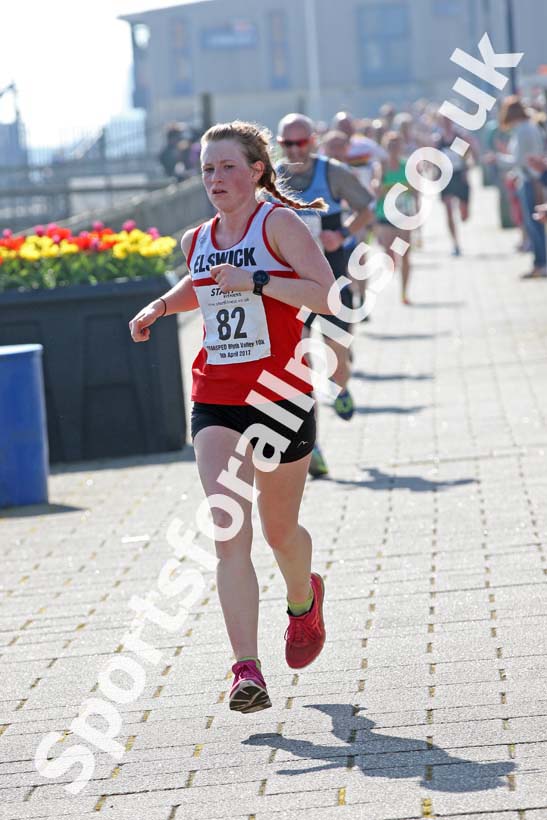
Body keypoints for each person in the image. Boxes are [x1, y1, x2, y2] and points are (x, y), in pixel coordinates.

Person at [129, 120, 335, 715]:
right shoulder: (198, 238)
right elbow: (202, 286)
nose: (214, 179)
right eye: (206, 170)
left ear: (257, 171)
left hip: (280, 395)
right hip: (216, 392)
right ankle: (247, 670)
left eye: (226, 168)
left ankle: (304, 599)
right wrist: (161, 306)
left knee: (279, 532)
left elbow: (329, 296)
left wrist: (261, 280)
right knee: (228, 530)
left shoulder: (279, 225)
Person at [276, 113, 374, 478]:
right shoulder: (272, 180)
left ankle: (343, 388)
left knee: (335, 354)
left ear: (313, 141)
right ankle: (312, 442)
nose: (294, 150)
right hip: (291, 284)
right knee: (300, 364)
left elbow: (368, 207)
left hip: (332, 278)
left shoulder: (332, 173)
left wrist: (343, 234)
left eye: (300, 142)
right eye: (287, 143)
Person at [490, 97, 547, 278]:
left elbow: (519, 160)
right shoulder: (529, 127)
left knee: (533, 224)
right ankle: (540, 262)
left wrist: (497, 158)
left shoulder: (523, 130)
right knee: (534, 223)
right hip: (532, 177)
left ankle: (541, 263)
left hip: (530, 180)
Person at [374, 131, 416, 305]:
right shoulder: (381, 167)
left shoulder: (407, 166)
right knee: (389, 254)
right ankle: (392, 270)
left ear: (401, 147)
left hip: (403, 215)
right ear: (385, 147)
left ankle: (404, 293)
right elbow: (376, 188)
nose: (393, 149)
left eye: (396, 145)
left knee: (405, 255)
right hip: (384, 215)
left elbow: (415, 191)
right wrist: (379, 186)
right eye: (390, 146)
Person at [434, 114, 476, 256]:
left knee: (464, 216)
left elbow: (467, 155)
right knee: (448, 211)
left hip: (459, 175)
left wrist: (467, 170)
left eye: (448, 120)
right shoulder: (438, 140)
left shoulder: (458, 138)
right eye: (443, 120)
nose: (446, 123)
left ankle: (464, 209)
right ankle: (455, 243)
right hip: (446, 177)